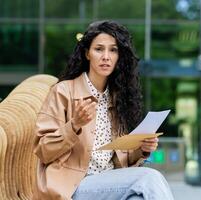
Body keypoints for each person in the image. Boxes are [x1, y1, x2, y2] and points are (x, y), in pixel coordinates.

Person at [33, 20, 174, 200]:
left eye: (113, 50)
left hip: (109, 184)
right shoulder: (63, 91)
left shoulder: (117, 98)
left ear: (119, 57)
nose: (106, 56)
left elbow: (122, 159)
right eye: (99, 49)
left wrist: (142, 150)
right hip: (73, 186)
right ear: (87, 54)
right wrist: (74, 125)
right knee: (150, 177)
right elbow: (43, 150)